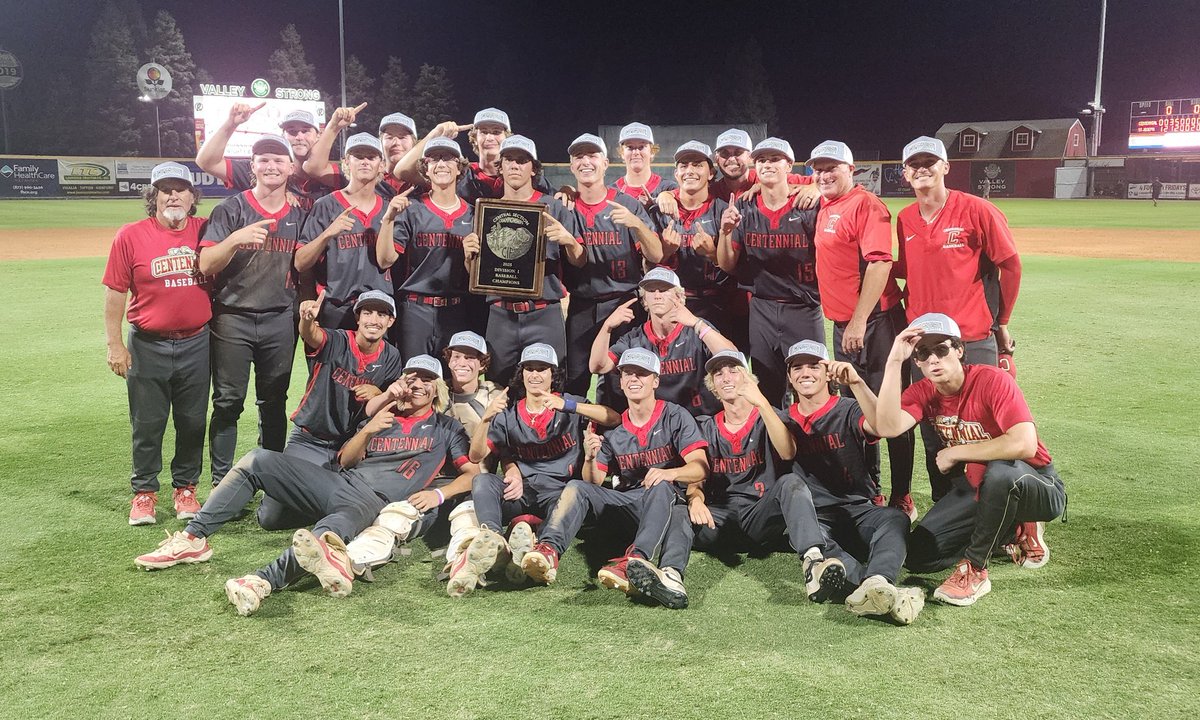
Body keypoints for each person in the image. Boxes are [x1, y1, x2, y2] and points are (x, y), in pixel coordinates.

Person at [134, 355, 479, 617]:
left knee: (321, 541)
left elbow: (473, 473)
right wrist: (368, 429)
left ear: (437, 390)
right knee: (258, 460)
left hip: (370, 504)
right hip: (338, 482)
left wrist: (438, 494)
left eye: (427, 380)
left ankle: (260, 582)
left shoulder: (445, 429)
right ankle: (193, 539)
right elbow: (345, 460)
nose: (417, 384)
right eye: (412, 377)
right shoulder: (382, 415)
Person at [870, 313, 1066, 606]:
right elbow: (887, 427)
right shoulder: (923, 391)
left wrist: (956, 451)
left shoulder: (992, 380)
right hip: (980, 488)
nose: (934, 359)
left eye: (942, 349)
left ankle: (975, 568)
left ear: (959, 350)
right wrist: (894, 361)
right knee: (920, 555)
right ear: (918, 361)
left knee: (1000, 474)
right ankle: (1007, 531)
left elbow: (1024, 444)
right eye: (924, 353)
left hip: (1036, 484)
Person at [521, 348, 708, 609]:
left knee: (661, 486)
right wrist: (589, 456)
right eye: (627, 373)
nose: (633, 379)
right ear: (620, 382)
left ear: (655, 381)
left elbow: (700, 467)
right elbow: (594, 481)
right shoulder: (616, 432)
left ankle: (635, 561)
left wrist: (670, 473)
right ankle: (548, 550)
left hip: (666, 503)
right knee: (576, 485)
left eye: (641, 374)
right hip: (628, 506)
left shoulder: (674, 416)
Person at [681, 350, 864, 612]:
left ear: (750, 379)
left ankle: (813, 563)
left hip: (761, 518)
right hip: (717, 521)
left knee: (790, 482)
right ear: (713, 387)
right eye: (718, 374)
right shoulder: (703, 426)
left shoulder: (771, 416)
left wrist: (762, 404)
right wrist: (694, 497)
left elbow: (787, 451)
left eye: (734, 370)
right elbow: (697, 470)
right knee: (672, 504)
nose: (726, 377)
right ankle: (668, 573)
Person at [895, 136, 1023, 499]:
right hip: (924, 342)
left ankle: (1008, 512)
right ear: (905, 173)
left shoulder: (976, 209)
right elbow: (907, 271)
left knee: (987, 429)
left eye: (929, 162)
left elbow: (1010, 265)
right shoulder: (905, 219)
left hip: (971, 336)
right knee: (935, 431)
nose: (922, 169)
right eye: (914, 164)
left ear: (945, 167)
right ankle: (946, 511)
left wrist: (1002, 322)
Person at [447, 343, 621, 597]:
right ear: (522, 373)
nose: (535, 375)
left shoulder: (570, 405)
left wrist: (569, 406)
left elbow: (613, 418)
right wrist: (486, 418)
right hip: (522, 491)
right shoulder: (508, 413)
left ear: (553, 374)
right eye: (529, 369)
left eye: (542, 369)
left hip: (559, 494)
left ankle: (541, 550)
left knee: (571, 496)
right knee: (483, 481)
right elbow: (476, 456)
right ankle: (494, 540)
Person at [777, 341, 924, 623]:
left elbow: (882, 426)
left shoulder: (849, 408)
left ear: (828, 373)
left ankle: (879, 578)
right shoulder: (783, 420)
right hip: (815, 517)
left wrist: (856, 382)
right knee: (817, 547)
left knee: (896, 519)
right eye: (797, 367)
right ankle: (877, 590)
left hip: (858, 509)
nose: (805, 372)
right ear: (789, 376)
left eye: (813, 366)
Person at [807, 140, 915, 520]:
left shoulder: (865, 204)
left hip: (875, 323)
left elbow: (880, 264)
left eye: (832, 167)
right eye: (818, 168)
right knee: (857, 409)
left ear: (851, 170)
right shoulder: (824, 203)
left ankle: (902, 493)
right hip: (844, 325)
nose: (824, 174)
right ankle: (871, 489)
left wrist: (857, 320)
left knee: (889, 406)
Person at [103, 162, 211, 526]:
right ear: (153, 197)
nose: (173, 195)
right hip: (148, 344)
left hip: (198, 342)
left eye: (180, 189)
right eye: (165, 189)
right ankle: (144, 494)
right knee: (147, 423)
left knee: (193, 421)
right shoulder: (131, 235)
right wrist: (115, 345)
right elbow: (116, 293)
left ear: (193, 197)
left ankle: (186, 489)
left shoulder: (206, 230)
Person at [198, 134, 306, 486]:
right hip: (232, 317)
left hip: (279, 318)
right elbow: (206, 264)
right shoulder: (230, 209)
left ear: (290, 167)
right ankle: (222, 481)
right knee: (228, 401)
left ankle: (270, 476)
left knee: (274, 401)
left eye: (278, 160)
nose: (271, 166)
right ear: (253, 167)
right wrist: (234, 239)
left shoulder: (302, 212)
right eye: (263, 160)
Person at [274, 290, 401, 530]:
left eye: (382, 314)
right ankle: (324, 498)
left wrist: (378, 392)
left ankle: (326, 495)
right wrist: (307, 319)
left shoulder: (392, 356)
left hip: (349, 447)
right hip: (309, 440)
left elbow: (390, 401)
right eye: (367, 313)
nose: (374, 320)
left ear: (390, 321)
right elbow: (312, 335)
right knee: (271, 517)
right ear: (358, 317)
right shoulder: (337, 340)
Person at [463, 135, 585, 385]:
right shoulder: (487, 210)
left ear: (534, 168)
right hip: (500, 314)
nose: (515, 166)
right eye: (509, 160)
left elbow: (580, 261)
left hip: (543, 312)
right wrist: (468, 256)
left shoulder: (553, 207)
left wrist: (569, 240)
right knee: (497, 387)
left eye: (522, 161)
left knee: (551, 387)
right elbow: (474, 272)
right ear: (501, 167)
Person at [716, 137, 823, 407]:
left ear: (789, 165)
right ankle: (775, 449)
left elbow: (844, 191)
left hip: (804, 308)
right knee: (767, 388)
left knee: (812, 390)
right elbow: (727, 264)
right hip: (761, 308)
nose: (767, 164)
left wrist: (817, 188)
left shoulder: (810, 204)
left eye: (775, 159)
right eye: (762, 159)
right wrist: (725, 232)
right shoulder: (744, 206)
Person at [561, 133, 663, 398]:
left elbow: (657, 255)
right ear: (571, 166)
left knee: (622, 383)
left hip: (624, 304)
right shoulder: (565, 206)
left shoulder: (626, 204)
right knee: (575, 380)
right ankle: (578, 439)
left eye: (592, 155)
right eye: (578, 157)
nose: (585, 162)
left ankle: (618, 439)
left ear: (605, 163)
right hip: (582, 305)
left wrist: (637, 224)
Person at [378, 137, 477, 357]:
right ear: (426, 168)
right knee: (413, 379)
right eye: (434, 159)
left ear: (460, 168)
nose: (441, 164)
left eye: (449, 158)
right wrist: (388, 219)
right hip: (416, 309)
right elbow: (385, 260)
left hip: (457, 309)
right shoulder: (413, 209)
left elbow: (477, 275)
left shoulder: (474, 215)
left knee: (452, 381)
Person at [589, 268, 735, 416]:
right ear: (645, 299)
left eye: (664, 290)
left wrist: (697, 324)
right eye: (651, 291)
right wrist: (607, 327)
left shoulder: (697, 329)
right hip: (658, 425)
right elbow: (597, 366)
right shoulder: (634, 339)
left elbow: (732, 355)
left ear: (678, 297)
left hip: (700, 420)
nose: (657, 295)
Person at [648, 141, 745, 349]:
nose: (689, 171)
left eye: (697, 165)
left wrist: (712, 254)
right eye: (684, 166)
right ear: (676, 174)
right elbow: (646, 269)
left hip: (717, 306)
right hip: (670, 306)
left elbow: (737, 269)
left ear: (711, 173)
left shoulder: (723, 211)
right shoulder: (658, 213)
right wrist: (664, 252)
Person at [294, 133, 393, 331]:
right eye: (358, 156)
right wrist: (327, 234)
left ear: (381, 165)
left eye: (371, 157)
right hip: (336, 308)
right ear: (347, 162)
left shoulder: (389, 209)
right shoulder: (326, 205)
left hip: (378, 310)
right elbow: (300, 262)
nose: (364, 161)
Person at [196, 105, 337, 211]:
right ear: (284, 136)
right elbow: (207, 162)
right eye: (292, 131)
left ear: (318, 136)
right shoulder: (265, 170)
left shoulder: (331, 174)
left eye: (306, 131)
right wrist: (231, 124)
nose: (299, 137)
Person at [441, 331, 506, 439]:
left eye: (469, 357)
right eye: (456, 357)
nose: (461, 363)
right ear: (449, 361)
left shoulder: (494, 393)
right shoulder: (437, 392)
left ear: (482, 363)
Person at [612, 122, 677, 207]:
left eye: (641, 147)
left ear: (652, 152)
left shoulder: (669, 188)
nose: (636, 152)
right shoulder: (611, 192)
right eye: (630, 147)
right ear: (622, 153)